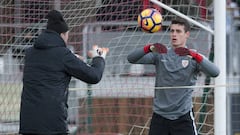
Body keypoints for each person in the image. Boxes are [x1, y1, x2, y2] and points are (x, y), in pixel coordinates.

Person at [19, 10, 109, 135]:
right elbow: (94, 76)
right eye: (67, 35)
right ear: (62, 35)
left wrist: (72, 57)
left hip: (28, 124)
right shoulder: (64, 55)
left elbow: (49, 62)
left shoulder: (30, 53)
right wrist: (99, 58)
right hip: (53, 125)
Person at [127, 17, 220, 135]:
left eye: (178, 31)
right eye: (172, 31)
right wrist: (148, 48)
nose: (174, 34)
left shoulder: (193, 57)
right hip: (160, 117)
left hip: (183, 117)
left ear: (187, 34)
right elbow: (131, 59)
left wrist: (195, 56)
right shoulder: (161, 54)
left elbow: (215, 72)